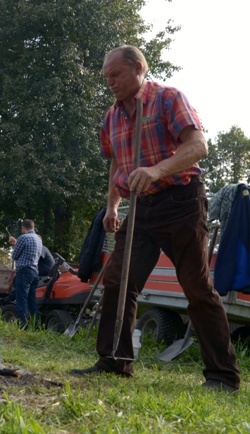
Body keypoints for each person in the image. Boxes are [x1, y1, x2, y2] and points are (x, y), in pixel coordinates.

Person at [70, 45, 240, 392]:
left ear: (138, 68)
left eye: (115, 75)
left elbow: (198, 146)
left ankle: (223, 376)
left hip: (182, 201)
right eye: (106, 77)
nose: (110, 82)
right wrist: (113, 205)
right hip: (141, 207)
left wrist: (157, 169)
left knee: (196, 287)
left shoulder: (167, 98)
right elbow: (117, 162)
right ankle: (113, 361)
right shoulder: (111, 117)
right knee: (118, 281)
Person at [7, 219, 42, 328]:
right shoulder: (38, 239)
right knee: (32, 301)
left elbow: (15, 256)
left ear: (23, 227)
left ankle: (24, 327)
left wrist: (14, 244)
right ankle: (35, 326)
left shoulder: (23, 238)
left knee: (21, 300)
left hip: (24, 272)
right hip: (34, 272)